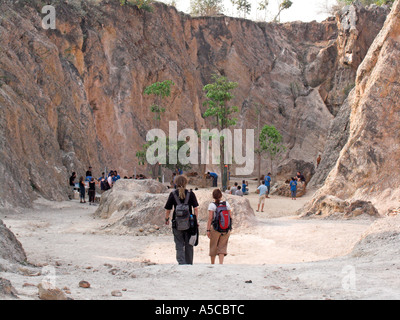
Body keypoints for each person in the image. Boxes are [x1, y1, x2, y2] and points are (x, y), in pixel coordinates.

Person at [164, 175, 199, 265]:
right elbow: (195, 208)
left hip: (177, 224)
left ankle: (181, 263)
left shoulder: (173, 194)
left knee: (179, 243)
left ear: (176, 183)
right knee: (189, 244)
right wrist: (196, 220)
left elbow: (168, 209)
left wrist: (167, 218)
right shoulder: (191, 194)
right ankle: (189, 263)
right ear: (186, 183)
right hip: (189, 224)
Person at [207, 189, 232, 265]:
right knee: (222, 247)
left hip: (215, 228)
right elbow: (230, 216)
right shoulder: (226, 204)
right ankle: (221, 264)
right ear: (221, 196)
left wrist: (208, 230)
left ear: (213, 196)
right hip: (225, 229)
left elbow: (210, 218)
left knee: (213, 246)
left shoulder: (212, 205)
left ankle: (213, 263)